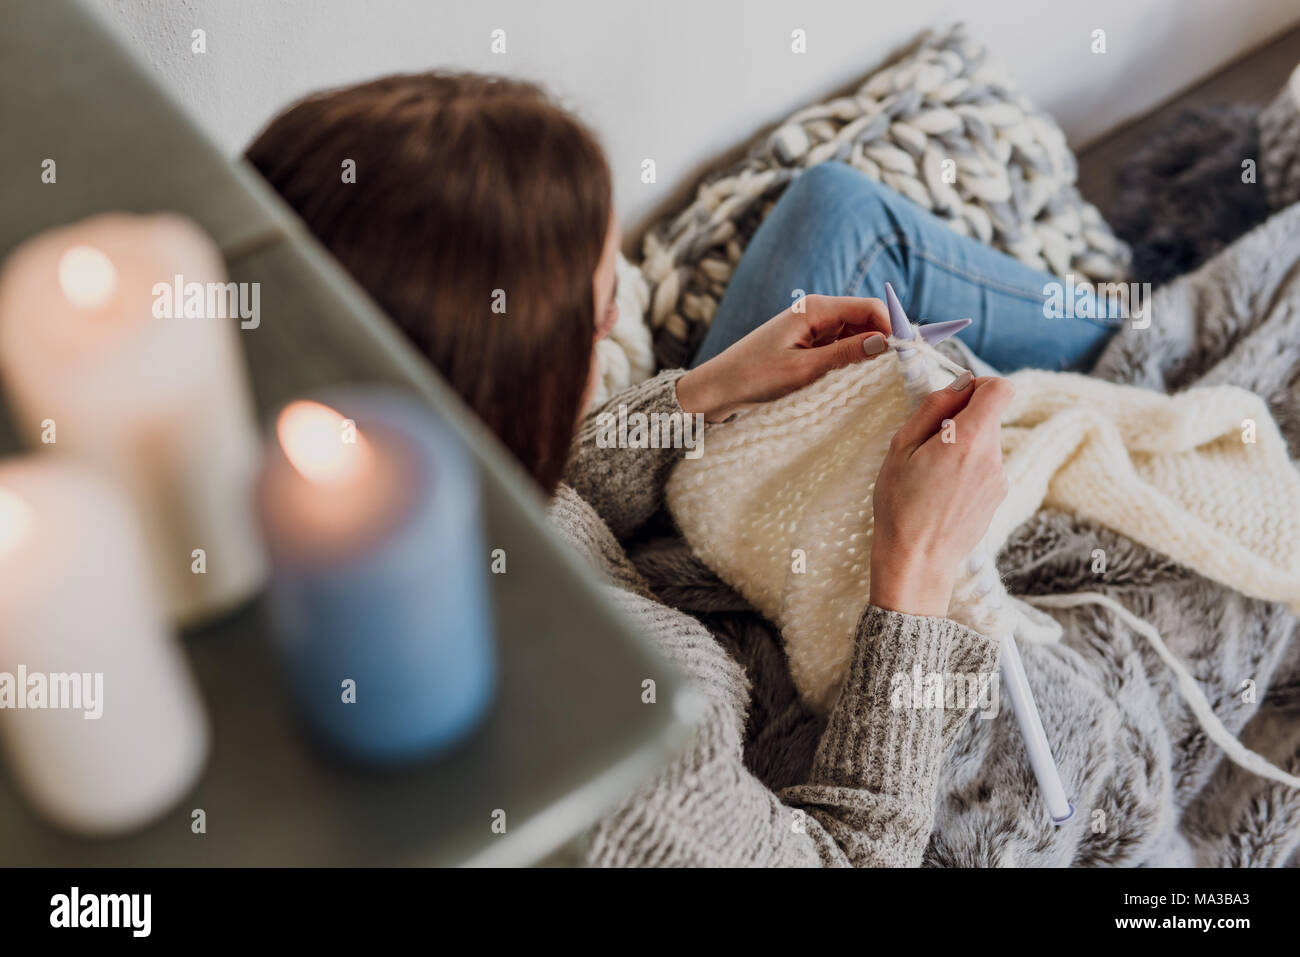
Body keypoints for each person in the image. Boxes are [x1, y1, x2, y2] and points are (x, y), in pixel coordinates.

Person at [247, 73, 1210, 867]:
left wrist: (704, 393)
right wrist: (913, 569)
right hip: (781, 686)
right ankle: (1169, 354)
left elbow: (554, 502)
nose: (620, 323)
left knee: (839, 216)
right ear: (495, 401)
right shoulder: (627, 778)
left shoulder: (317, 434)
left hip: (679, 543)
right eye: (592, 321)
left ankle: (1144, 342)